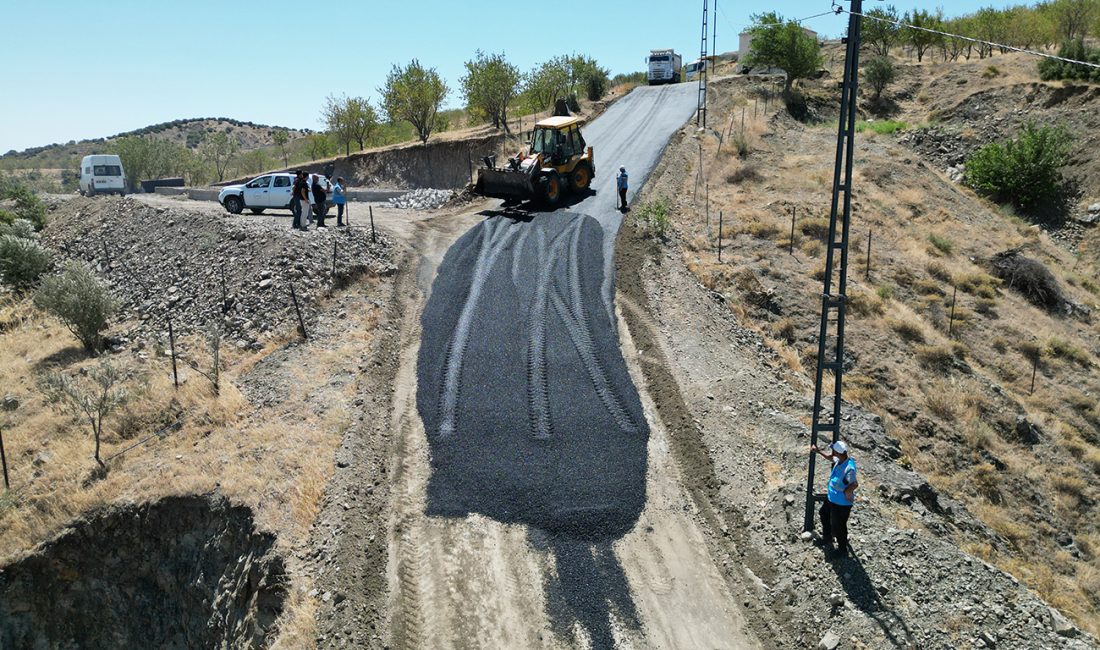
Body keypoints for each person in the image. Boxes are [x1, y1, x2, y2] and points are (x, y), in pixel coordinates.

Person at [811, 440, 858, 558]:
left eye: (834, 451)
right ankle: (827, 537)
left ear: (838, 452)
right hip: (832, 499)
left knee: (839, 526)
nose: (833, 452)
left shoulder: (849, 468)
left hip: (841, 504)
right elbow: (830, 458)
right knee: (823, 513)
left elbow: (854, 484)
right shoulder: (840, 460)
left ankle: (842, 550)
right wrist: (818, 451)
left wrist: (848, 492)